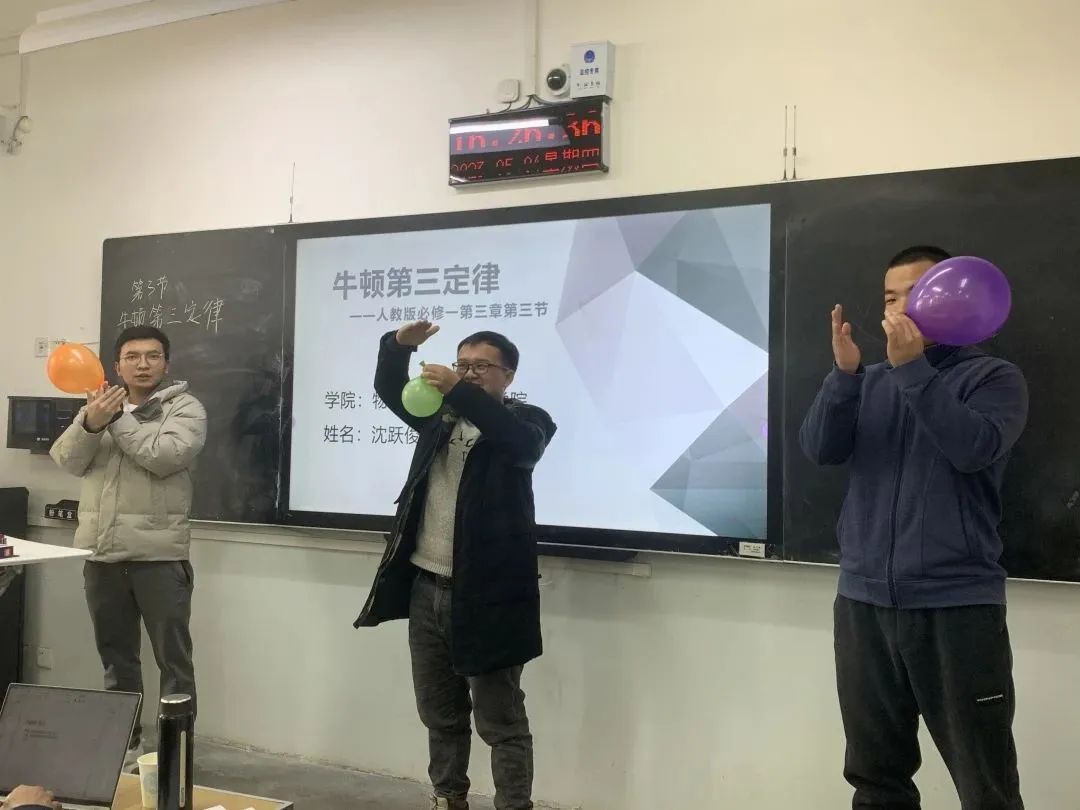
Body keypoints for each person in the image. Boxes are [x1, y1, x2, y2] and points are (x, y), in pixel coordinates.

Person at [800, 245, 1028, 810]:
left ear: (955, 297)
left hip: (956, 606)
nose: (900, 308)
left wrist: (914, 374)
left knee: (985, 782)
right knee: (875, 778)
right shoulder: (870, 381)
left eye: (916, 293)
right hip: (863, 605)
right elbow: (819, 449)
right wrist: (844, 376)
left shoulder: (993, 378)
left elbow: (973, 448)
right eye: (889, 298)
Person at [355, 321, 557, 810]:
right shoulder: (438, 419)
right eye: (461, 365)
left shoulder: (528, 422)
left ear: (508, 376)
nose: (467, 374)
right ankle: (448, 799)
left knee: (500, 720)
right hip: (427, 588)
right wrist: (397, 346)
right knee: (440, 714)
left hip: (488, 598)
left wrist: (458, 390)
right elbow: (389, 388)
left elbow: (519, 445)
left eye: (480, 367)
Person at [50, 326, 207, 770]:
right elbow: (67, 460)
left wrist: (115, 418)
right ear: (117, 366)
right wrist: (89, 423)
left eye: (152, 356)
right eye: (132, 357)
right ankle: (126, 746)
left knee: (173, 662)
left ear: (166, 364)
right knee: (116, 660)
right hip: (101, 555)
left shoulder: (185, 409)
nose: (142, 364)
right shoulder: (99, 407)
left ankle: (176, 754)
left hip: (159, 557)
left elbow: (162, 457)